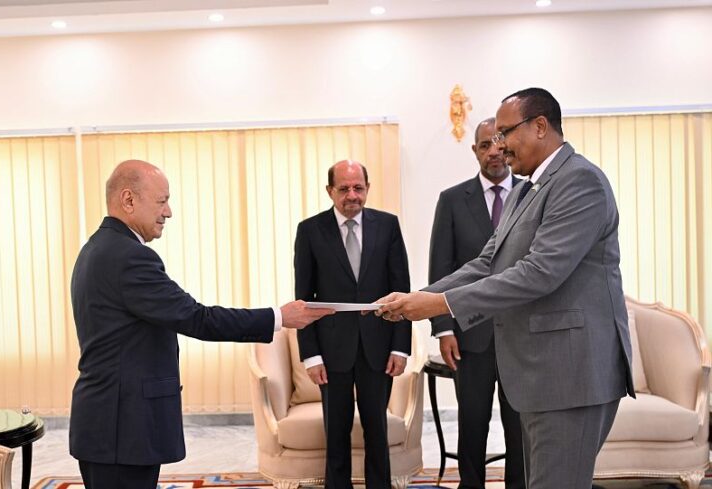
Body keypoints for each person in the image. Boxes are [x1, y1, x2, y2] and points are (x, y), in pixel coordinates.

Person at [374, 88, 634, 489]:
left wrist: (441, 303)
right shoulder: (525, 190)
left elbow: (540, 272)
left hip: (570, 376)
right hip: (539, 375)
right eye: (494, 138)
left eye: (506, 133)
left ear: (540, 126)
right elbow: (486, 262)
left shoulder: (580, 181)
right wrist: (418, 298)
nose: (499, 147)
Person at [69, 159, 333, 489]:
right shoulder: (129, 257)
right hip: (123, 427)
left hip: (110, 424)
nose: (168, 212)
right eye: (162, 201)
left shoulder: (98, 248)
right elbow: (197, 318)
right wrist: (280, 317)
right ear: (128, 200)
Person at [294, 160, 411, 489]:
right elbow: (303, 299)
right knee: (336, 434)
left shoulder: (388, 226)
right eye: (344, 188)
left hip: (378, 347)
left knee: (377, 432)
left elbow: (401, 290)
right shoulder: (310, 231)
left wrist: (400, 347)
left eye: (358, 188)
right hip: (332, 351)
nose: (352, 195)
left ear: (367, 188)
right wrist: (311, 355)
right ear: (329, 191)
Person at [428, 117, 525, 489]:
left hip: (521, 336)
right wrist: (443, 329)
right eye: (485, 145)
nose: (494, 152)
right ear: (475, 151)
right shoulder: (452, 200)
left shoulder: (531, 194)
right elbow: (441, 268)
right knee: (472, 425)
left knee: (520, 427)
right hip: (470, 337)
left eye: (499, 144)